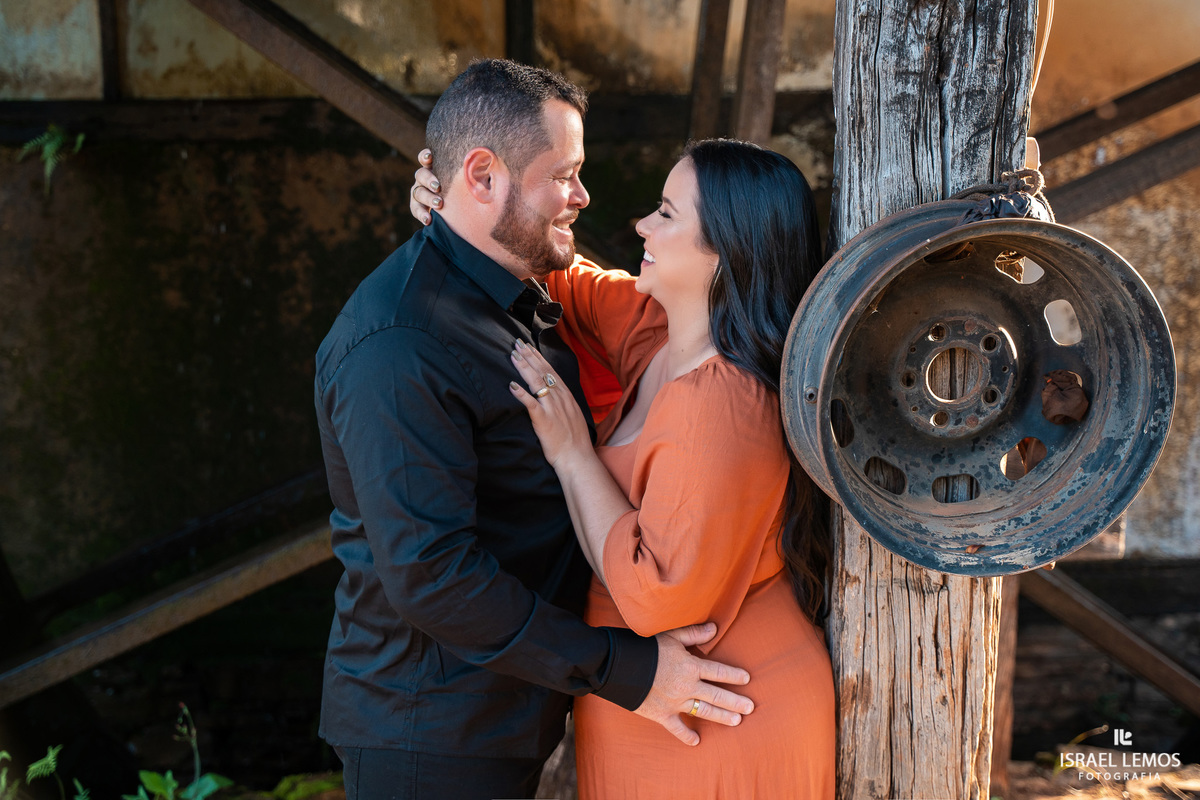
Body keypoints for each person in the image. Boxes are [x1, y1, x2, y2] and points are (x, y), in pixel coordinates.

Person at [313, 59, 756, 800]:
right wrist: (629, 671)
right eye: (564, 175)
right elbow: (432, 576)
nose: (583, 196)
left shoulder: (513, 284)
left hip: (503, 717)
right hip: (432, 736)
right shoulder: (401, 344)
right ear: (482, 175)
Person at [410, 139, 836, 797]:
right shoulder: (656, 330)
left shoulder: (724, 405)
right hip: (656, 706)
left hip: (721, 715)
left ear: (726, 253)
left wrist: (573, 455)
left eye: (665, 213)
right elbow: (556, 274)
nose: (641, 225)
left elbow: (657, 600)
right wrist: (462, 210)